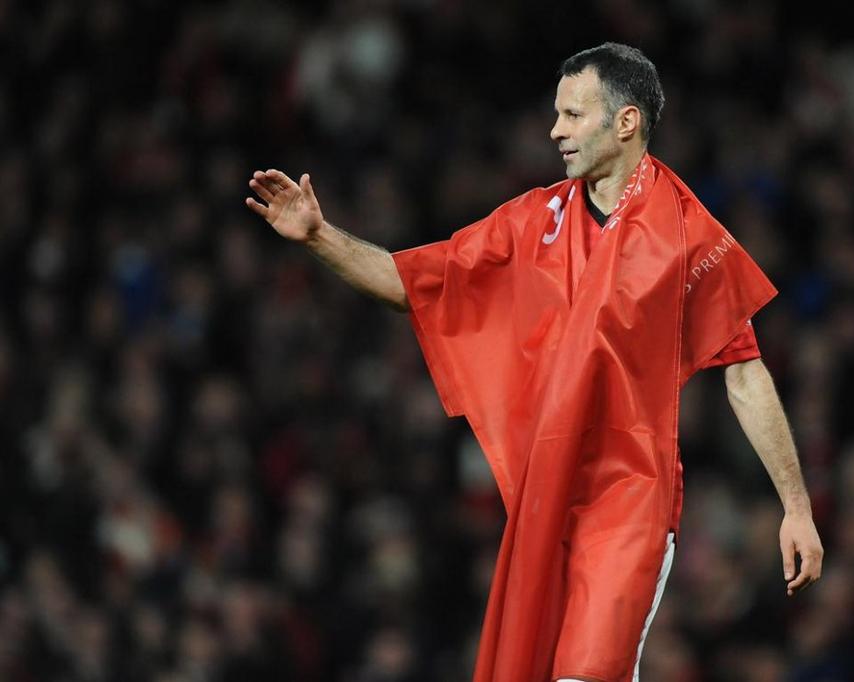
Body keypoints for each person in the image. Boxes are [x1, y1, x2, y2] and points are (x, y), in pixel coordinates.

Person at [246, 43, 823, 682]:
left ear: (625, 122)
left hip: (628, 505)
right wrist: (320, 237)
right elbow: (411, 283)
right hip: (542, 501)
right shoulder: (529, 222)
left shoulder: (688, 235)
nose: (555, 130)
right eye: (557, 114)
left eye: (573, 114)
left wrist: (795, 507)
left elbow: (744, 372)